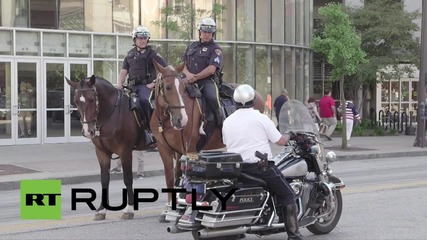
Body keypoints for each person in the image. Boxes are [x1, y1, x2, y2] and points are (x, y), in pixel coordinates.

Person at [222, 84, 304, 240]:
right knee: (288, 194)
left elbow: (226, 142)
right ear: (253, 99)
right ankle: (294, 236)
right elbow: (280, 141)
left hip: (237, 169)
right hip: (260, 168)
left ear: (235, 101)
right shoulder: (260, 118)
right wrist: (290, 134)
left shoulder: (228, 121)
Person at [116, 26, 168, 147]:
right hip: (131, 87)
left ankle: (152, 130)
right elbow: (124, 71)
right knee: (119, 103)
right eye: (140, 38)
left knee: (145, 101)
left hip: (146, 86)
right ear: (135, 39)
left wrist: (154, 83)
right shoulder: (130, 54)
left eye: (145, 38)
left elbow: (165, 70)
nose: (143, 40)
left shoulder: (152, 54)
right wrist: (119, 84)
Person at [179, 17, 224, 128]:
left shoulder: (216, 49)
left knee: (213, 98)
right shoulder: (192, 46)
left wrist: (195, 77)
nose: (206, 34)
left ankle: (221, 125)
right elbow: (183, 64)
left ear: (213, 34)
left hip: (206, 81)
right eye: (204, 32)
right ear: (200, 32)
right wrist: (188, 75)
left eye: (209, 32)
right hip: (187, 78)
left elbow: (211, 69)